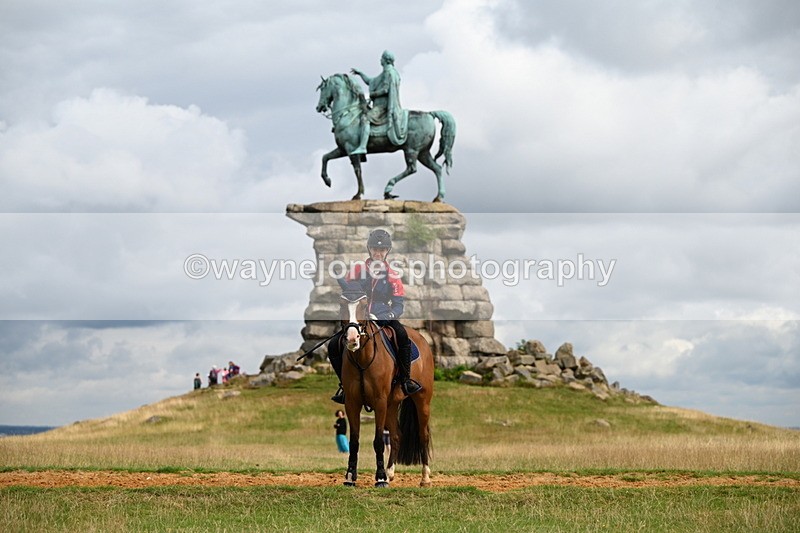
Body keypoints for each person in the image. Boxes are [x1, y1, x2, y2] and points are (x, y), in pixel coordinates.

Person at [328, 228, 423, 404]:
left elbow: (398, 305)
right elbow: (348, 294)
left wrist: (388, 316)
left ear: (387, 252)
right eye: (375, 249)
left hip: (382, 315)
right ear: (369, 249)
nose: (378, 253)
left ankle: (406, 380)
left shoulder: (393, 275)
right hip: (358, 317)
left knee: (402, 336)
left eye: (382, 250)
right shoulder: (357, 269)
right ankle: (344, 385)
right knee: (334, 344)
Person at [350, 50, 408, 154]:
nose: (380, 60)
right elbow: (371, 81)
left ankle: (363, 147)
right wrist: (360, 73)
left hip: (383, 106)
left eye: (381, 58)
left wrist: (373, 94)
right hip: (382, 105)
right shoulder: (391, 72)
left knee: (365, 119)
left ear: (385, 60)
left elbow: (385, 90)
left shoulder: (388, 72)